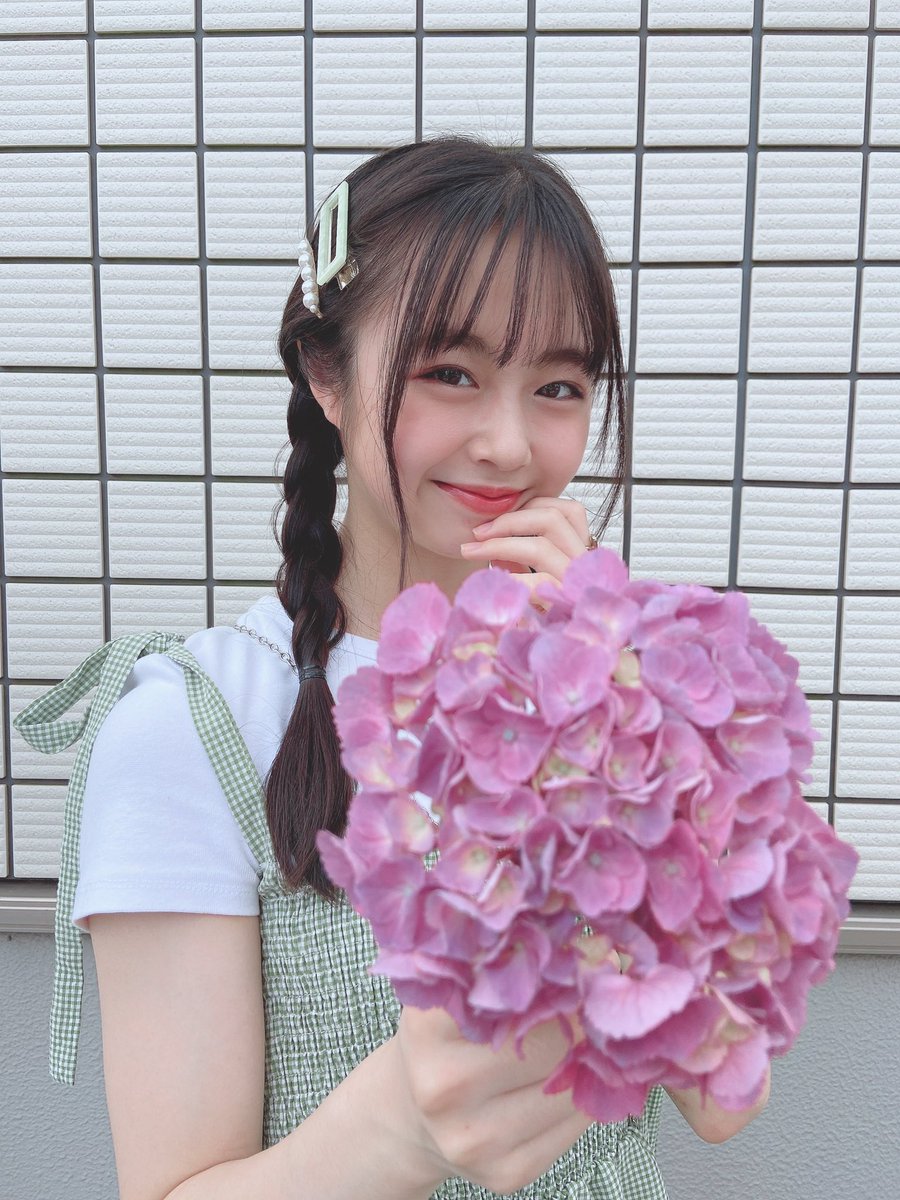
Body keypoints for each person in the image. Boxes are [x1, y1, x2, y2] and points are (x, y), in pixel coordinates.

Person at [18, 135, 770, 1200]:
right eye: (451, 374)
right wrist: (404, 1133)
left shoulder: (620, 682)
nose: (509, 444)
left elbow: (726, 1097)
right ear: (326, 374)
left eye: (559, 386)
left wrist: (632, 725)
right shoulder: (195, 724)